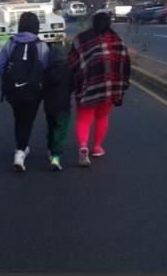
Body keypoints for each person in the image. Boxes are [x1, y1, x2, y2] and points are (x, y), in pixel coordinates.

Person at [69, 11, 132, 167]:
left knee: (84, 119)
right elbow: (125, 64)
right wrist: (122, 85)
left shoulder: (82, 39)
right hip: (109, 88)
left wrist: (72, 83)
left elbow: (72, 63)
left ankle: (83, 146)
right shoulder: (117, 40)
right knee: (102, 117)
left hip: (88, 87)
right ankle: (96, 147)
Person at [0, 12, 50, 172]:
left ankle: (21, 147)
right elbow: (46, 69)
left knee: (19, 117)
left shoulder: (10, 43)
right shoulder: (41, 45)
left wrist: (9, 81)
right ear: (37, 27)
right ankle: (20, 151)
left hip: (13, 91)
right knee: (27, 119)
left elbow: (1, 67)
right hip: (33, 91)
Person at [42, 45, 72, 172]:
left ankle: (50, 148)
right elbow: (73, 85)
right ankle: (55, 157)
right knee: (61, 132)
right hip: (64, 106)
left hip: (49, 106)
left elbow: (42, 88)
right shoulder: (68, 70)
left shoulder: (46, 71)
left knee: (52, 128)